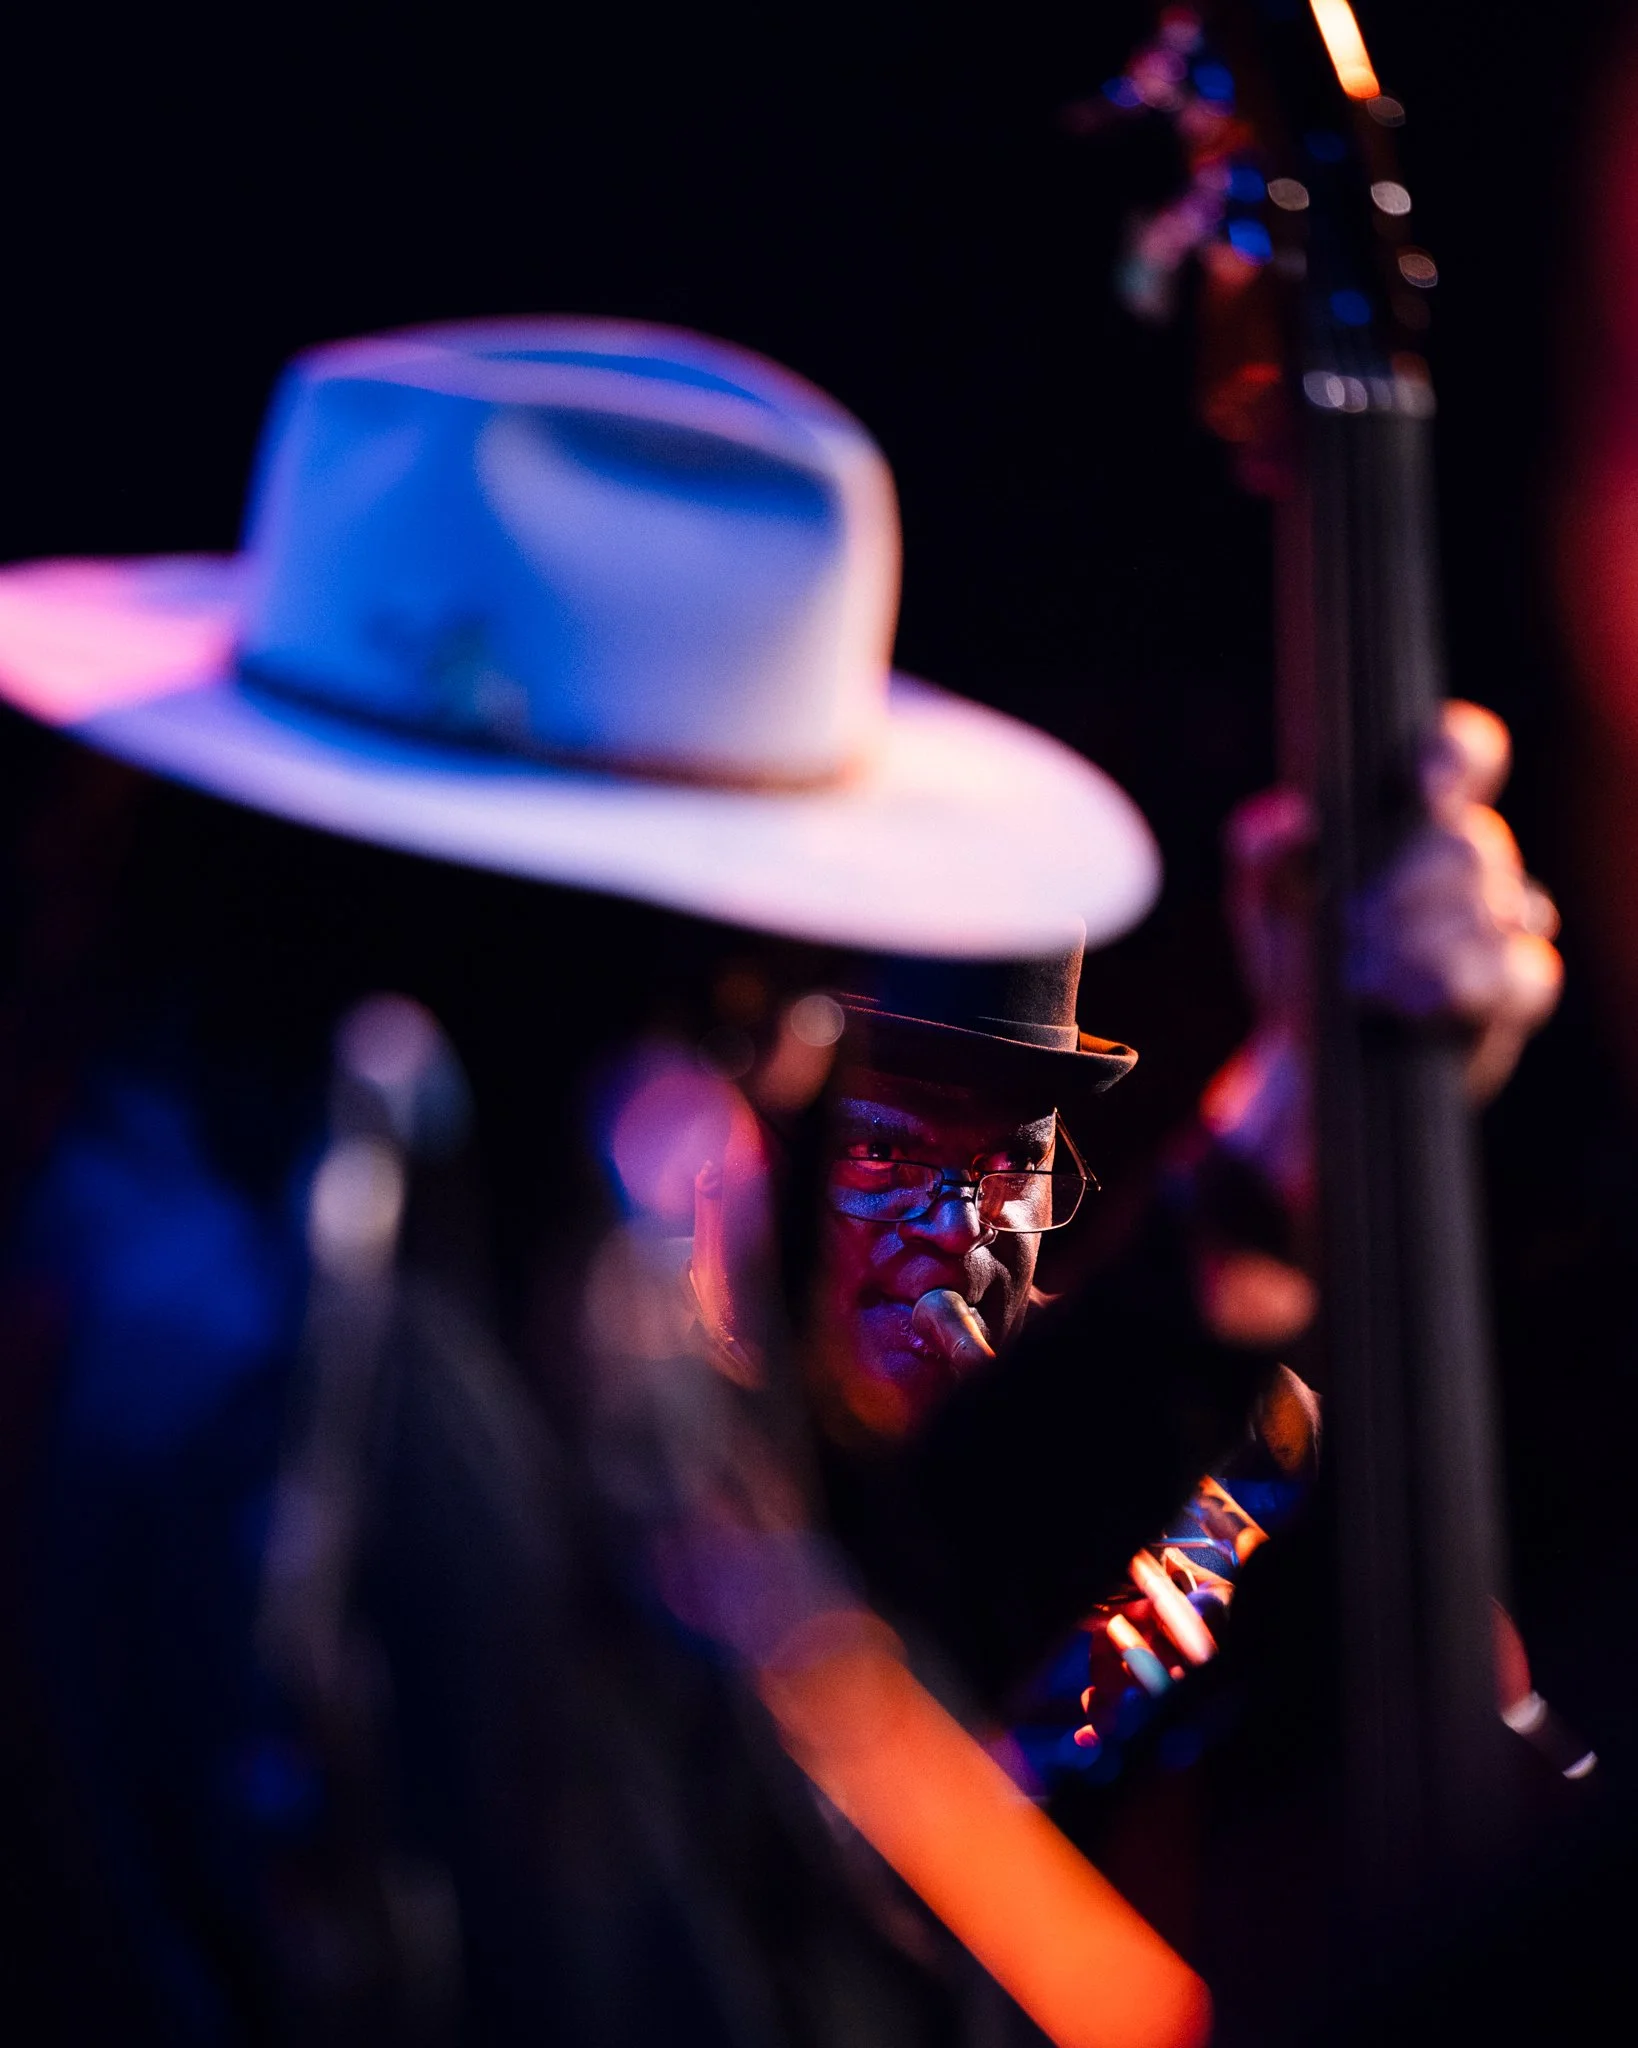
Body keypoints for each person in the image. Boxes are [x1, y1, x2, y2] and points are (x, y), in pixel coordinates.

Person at [0, 314, 1555, 2047]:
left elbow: (794, 1689)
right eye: (744, 994)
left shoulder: (351, 1259)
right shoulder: (310, 1382)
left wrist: (1262, 1191)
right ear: (543, 955)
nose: (794, 1062)